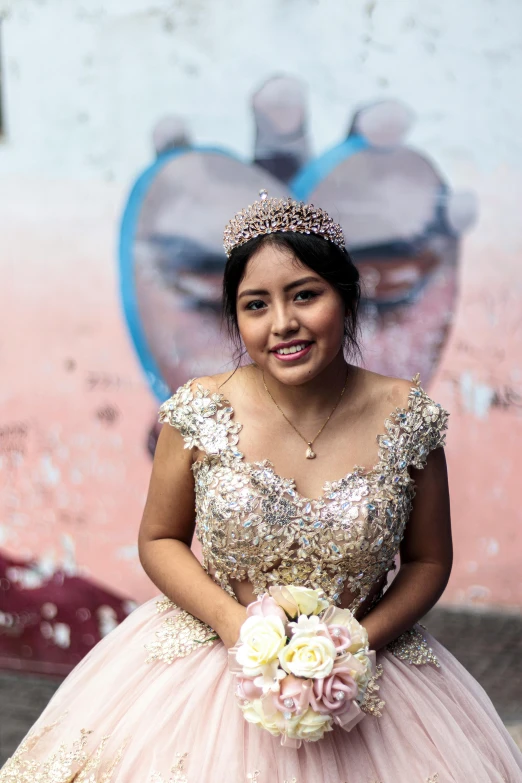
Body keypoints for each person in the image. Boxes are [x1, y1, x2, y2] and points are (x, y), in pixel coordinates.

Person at [2, 192, 521, 783]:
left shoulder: (410, 416)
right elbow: (160, 539)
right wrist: (237, 627)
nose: (283, 324)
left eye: (305, 294)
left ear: (345, 297)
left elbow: (429, 560)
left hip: (371, 674)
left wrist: (354, 643)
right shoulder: (200, 409)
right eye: (256, 305)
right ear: (237, 318)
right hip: (207, 668)